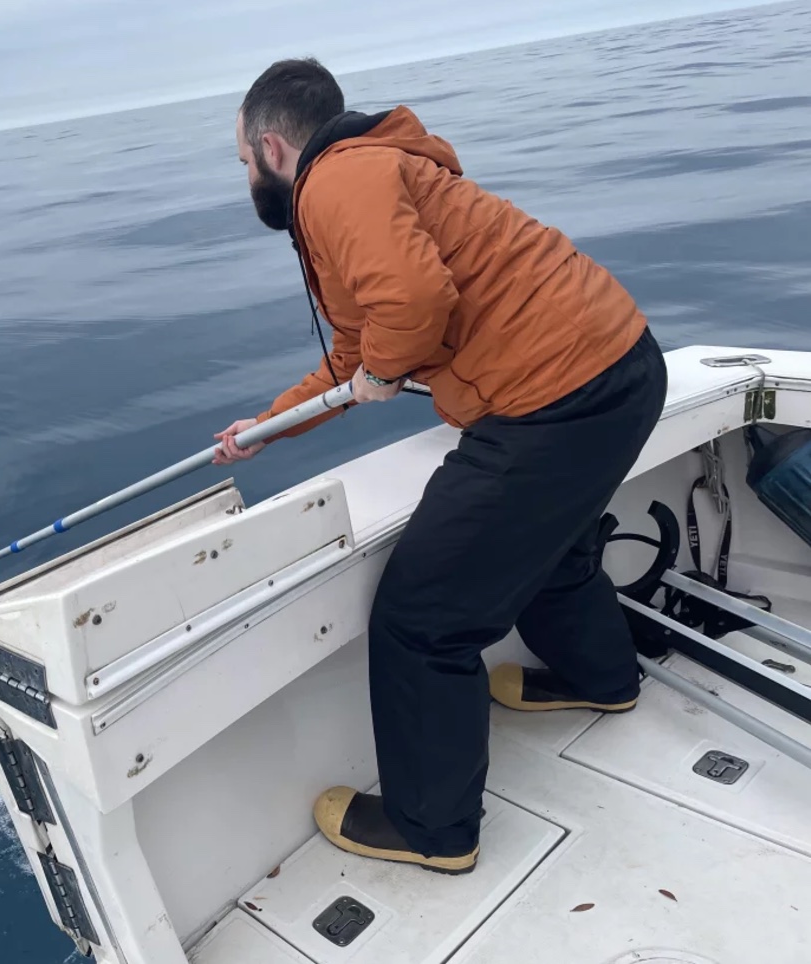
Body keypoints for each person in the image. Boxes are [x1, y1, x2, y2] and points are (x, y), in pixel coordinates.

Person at [213, 57, 668, 875]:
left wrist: (389, 369)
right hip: (617, 365)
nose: (244, 176)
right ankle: (602, 677)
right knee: (551, 545)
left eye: (242, 161)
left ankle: (433, 828)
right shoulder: (377, 168)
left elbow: (412, 309)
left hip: (552, 401)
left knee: (421, 620)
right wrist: (268, 428)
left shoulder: (334, 184)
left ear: (274, 148)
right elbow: (356, 351)